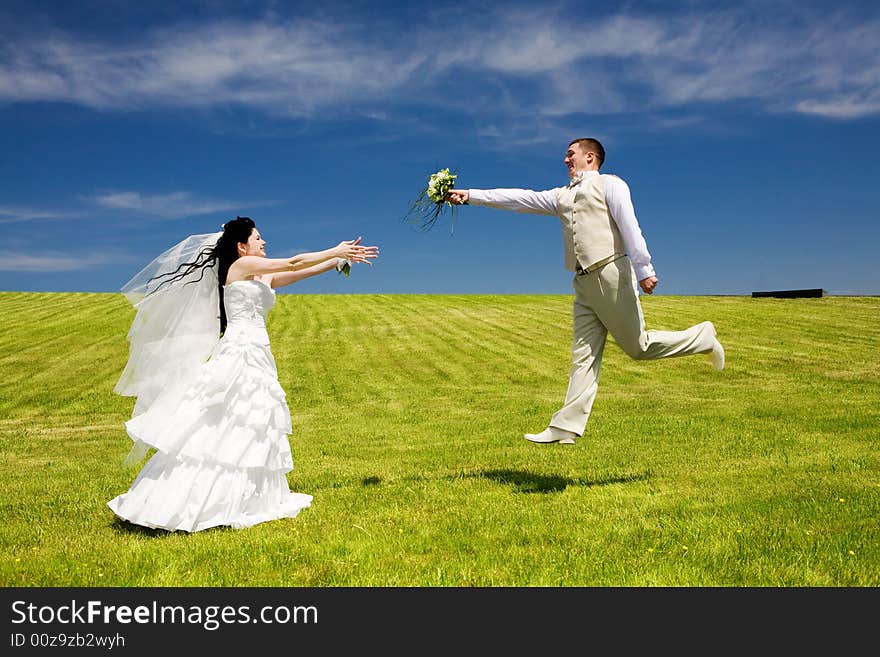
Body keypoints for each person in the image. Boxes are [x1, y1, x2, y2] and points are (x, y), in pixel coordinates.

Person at [446, 138, 724, 445]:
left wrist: (645, 269)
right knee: (583, 355)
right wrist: (470, 196)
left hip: (610, 272)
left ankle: (703, 338)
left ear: (590, 157)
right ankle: (565, 427)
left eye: (570, 154)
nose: (565, 160)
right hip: (582, 281)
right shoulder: (561, 196)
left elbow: (629, 225)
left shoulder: (611, 185)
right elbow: (520, 198)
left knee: (638, 348)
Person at [108, 217, 379, 531]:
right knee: (224, 420)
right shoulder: (239, 268)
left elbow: (298, 273)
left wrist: (337, 261)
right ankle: (187, 498)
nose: (264, 243)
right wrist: (335, 248)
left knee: (253, 422)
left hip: (258, 353)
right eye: (258, 238)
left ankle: (246, 495)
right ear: (241, 246)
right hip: (239, 352)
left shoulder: (261, 276)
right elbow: (292, 263)